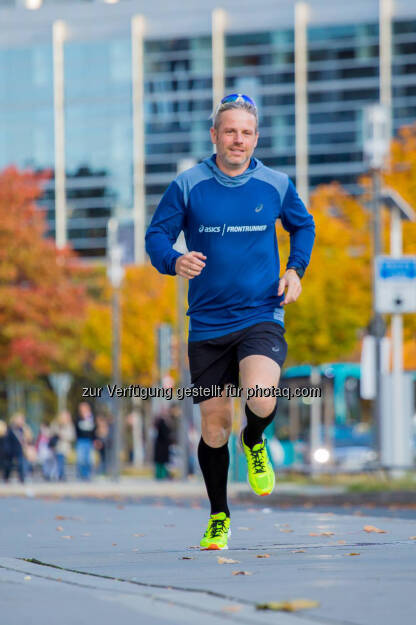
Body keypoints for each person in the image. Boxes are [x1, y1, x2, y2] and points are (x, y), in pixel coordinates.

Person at [145, 93, 315, 550]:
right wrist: (173, 260)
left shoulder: (276, 184)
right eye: (229, 130)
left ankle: (255, 440)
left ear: (255, 137)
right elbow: (156, 234)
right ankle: (219, 515)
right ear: (215, 134)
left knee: (260, 396)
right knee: (214, 427)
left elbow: (304, 226)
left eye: (246, 132)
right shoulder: (188, 185)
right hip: (207, 324)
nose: (237, 139)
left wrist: (295, 270)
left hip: (261, 311)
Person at [50, 410, 75, 480]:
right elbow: (51, 432)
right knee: (59, 461)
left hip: (65, 447)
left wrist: (63, 435)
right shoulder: (55, 424)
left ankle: (61, 475)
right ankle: (60, 475)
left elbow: (72, 436)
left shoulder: (69, 425)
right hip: (57, 446)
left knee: (62, 461)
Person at [75, 402, 96, 480]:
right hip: (81, 441)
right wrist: (83, 418)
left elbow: (94, 430)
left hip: (89, 441)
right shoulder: (78, 418)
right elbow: (77, 429)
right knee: (81, 460)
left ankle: (87, 475)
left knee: (88, 460)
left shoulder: (92, 418)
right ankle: (80, 475)